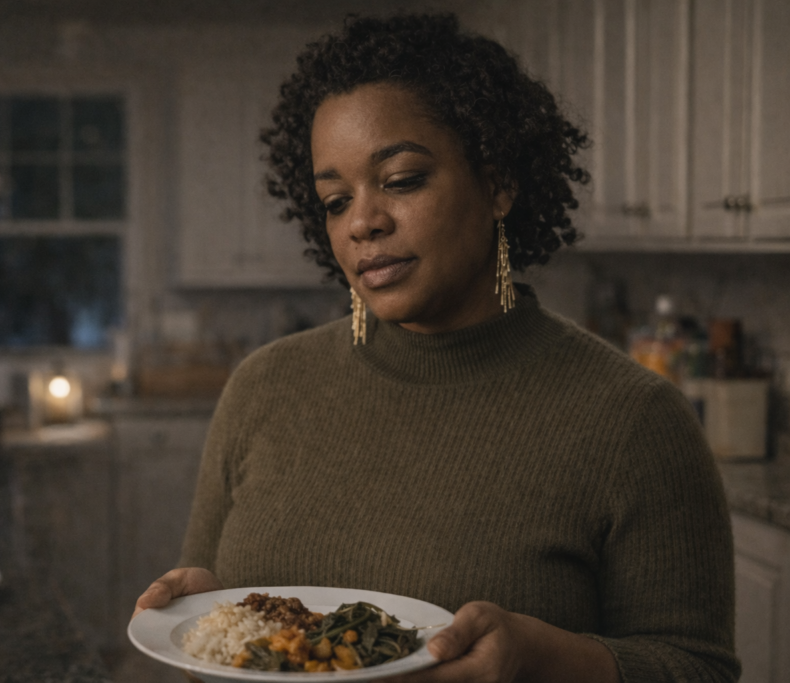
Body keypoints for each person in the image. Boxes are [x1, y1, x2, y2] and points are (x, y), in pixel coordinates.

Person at [134, 13, 739, 683]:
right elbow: (197, 642)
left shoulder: (634, 420)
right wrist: (202, 625)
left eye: (401, 181)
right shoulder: (263, 386)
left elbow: (698, 666)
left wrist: (549, 660)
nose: (364, 221)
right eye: (336, 200)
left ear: (498, 183)